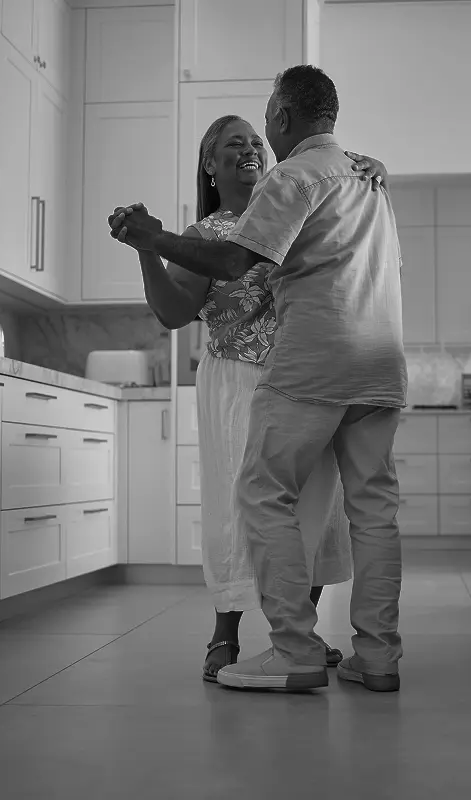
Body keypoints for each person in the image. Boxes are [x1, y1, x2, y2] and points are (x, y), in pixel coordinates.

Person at [110, 64, 407, 694]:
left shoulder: (297, 180)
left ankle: (295, 646)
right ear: (209, 166)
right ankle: (374, 657)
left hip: (306, 371)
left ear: (280, 121)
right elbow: (180, 305)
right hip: (363, 366)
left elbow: (235, 260)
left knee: (277, 503)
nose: (250, 147)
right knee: (367, 512)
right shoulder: (359, 177)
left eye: (257, 134)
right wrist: (156, 245)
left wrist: (150, 235)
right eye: (230, 145)